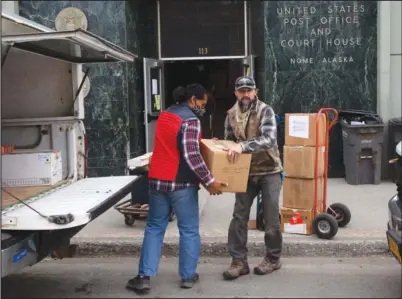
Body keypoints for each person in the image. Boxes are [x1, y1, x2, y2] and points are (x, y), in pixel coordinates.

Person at [126, 83, 227, 294]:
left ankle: (144, 277)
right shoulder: (191, 120)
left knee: (154, 227)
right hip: (180, 184)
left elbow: (176, 145)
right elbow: (191, 155)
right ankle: (188, 276)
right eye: (202, 103)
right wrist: (209, 181)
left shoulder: (165, 115)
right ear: (192, 100)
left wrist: (206, 142)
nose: (203, 107)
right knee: (189, 229)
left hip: (157, 181)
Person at [222, 76, 283, 280]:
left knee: (271, 218)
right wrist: (222, 145)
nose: (246, 94)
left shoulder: (266, 110)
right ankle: (239, 261)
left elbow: (269, 139)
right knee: (239, 217)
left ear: (255, 91)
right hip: (245, 172)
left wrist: (242, 146)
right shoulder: (231, 114)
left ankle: (273, 259)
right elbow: (230, 141)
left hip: (269, 171)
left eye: (249, 90)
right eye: (242, 91)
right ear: (236, 93)